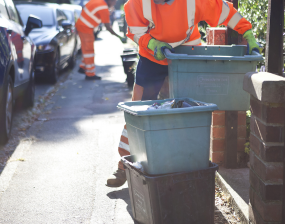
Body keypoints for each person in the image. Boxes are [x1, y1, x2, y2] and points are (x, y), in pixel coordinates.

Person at [106, 0, 262, 187]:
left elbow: (224, 10)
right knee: (138, 111)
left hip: (187, 56)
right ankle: (125, 166)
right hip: (152, 56)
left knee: (189, 111)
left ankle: (185, 168)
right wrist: (153, 43)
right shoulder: (136, 3)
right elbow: (137, 32)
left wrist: (247, 33)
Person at [75, 0, 126, 80]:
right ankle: (90, 74)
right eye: (114, 2)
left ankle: (83, 67)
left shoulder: (98, 2)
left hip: (83, 25)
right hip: (86, 27)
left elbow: (84, 7)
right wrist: (118, 36)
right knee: (89, 51)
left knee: (86, 49)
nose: (115, 3)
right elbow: (108, 27)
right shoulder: (103, 8)